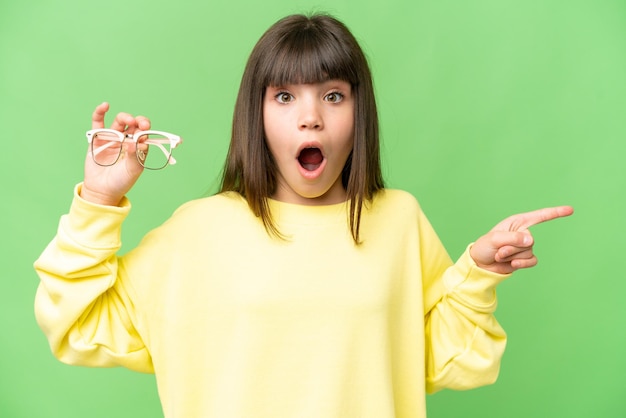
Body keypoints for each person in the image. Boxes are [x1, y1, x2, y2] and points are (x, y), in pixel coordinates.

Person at [33, 13, 573, 418]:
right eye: (285, 96)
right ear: (257, 114)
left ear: (360, 113)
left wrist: (479, 273)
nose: (311, 118)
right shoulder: (198, 231)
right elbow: (77, 325)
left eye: (333, 95)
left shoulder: (397, 219)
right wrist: (99, 201)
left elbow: (442, 361)